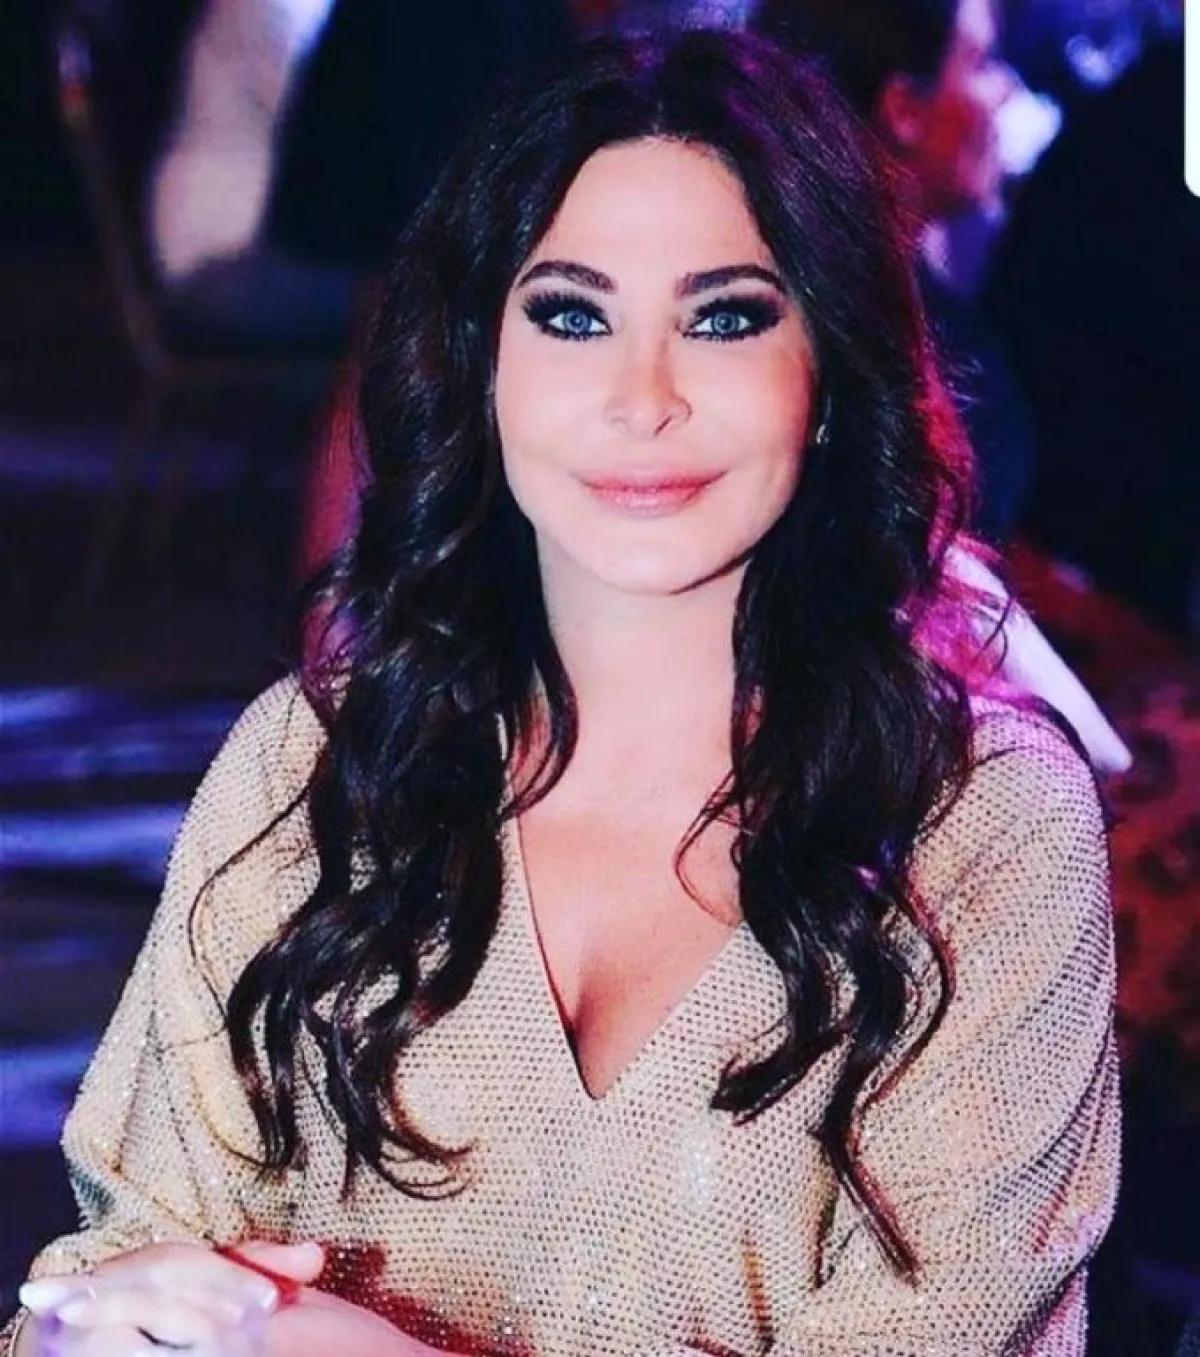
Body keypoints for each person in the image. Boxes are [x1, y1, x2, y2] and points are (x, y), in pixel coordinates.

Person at [6, 31, 1118, 1357]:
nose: (642, 399)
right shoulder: (318, 761)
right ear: (484, 366)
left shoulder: (984, 826)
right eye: (573, 316)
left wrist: (351, 1348)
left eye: (725, 318)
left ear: (828, 373)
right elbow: (119, 1268)